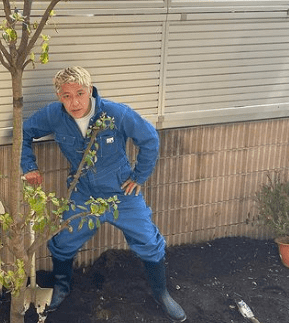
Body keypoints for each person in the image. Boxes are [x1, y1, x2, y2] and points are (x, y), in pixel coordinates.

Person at [21, 67, 186, 322]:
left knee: (149, 241)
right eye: (66, 96)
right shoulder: (54, 116)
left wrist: (139, 176)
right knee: (63, 242)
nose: (74, 102)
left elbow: (149, 138)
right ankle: (62, 288)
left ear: (90, 90)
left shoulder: (115, 113)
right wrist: (29, 167)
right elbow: (23, 131)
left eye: (80, 93)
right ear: (58, 96)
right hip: (83, 192)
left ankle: (161, 293)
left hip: (122, 192)